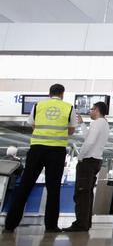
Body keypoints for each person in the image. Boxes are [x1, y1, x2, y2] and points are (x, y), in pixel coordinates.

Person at [3, 84, 77, 233]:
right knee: (53, 188)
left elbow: (33, 124)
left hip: (37, 149)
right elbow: (71, 130)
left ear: (49, 94)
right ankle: (51, 226)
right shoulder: (69, 107)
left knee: (25, 185)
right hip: (57, 151)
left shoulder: (38, 105)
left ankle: (10, 224)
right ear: (62, 94)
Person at [63, 101, 110, 232]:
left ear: (97, 110)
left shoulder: (97, 123)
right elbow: (89, 137)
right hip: (95, 161)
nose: (90, 111)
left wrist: (80, 157)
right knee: (87, 193)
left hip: (88, 161)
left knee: (81, 193)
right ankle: (85, 222)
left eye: (92, 109)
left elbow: (89, 142)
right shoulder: (104, 124)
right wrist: (82, 124)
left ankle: (80, 224)